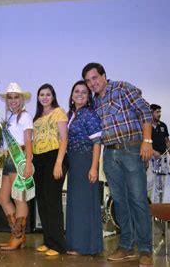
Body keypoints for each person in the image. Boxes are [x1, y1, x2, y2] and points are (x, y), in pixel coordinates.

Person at [82, 63, 153, 266]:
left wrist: (147, 141)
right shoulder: (94, 102)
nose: (92, 83)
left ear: (104, 76)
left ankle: (146, 250)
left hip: (131, 150)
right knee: (120, 202)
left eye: (94, 78)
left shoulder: (122, 88)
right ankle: (126, 246)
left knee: (138, 200)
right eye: (88, 80)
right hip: (110, 154)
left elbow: (145, 112)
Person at [65, 80, 103, 256]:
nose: (79, 94)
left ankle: (85, 246)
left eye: (84, 92)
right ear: (72, 95)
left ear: (88, 97)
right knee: (76, 203)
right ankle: (75, 243)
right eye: (76, 91)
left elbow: (97, 142)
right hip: (74, 162)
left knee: (85, 204)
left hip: (85, 161)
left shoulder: (89, 114)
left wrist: (94, 167)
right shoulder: (72, 114)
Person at [0, 82, 34, 251]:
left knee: (19, 198)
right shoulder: (11, 117)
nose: (13, 100)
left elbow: (28, 141)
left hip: (18, 158)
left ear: (22, 99)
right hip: (8, 159)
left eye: (16, 97)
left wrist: (27, 163)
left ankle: (18, 237)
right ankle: (17, 234)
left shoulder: (24, 117)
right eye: (10, 98)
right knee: (2, 197)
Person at [32, 83, 68, 256]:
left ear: (53, 96)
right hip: (38, 159)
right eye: (41, 94)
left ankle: (58, 245)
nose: (44, 97)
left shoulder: (58, 112)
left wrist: (59, 162)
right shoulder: (37, 117)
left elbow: (64, 139)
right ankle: (48, 241)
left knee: (52, 201)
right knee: (42, 201)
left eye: (48, 94)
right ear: (38, 98)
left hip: (54, 157)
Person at [147, 104, 170, 203]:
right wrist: (153, 152)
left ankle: (159, 209)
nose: (159, 114)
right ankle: (148, 206)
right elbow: (143, 141)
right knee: (149, 181)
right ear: (151, 112)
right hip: (150, 158)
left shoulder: (163, 125)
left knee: (161, 184)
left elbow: (167, 141)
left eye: (160, 112)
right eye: (157, 112)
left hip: (163, 157)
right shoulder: (146, 125)